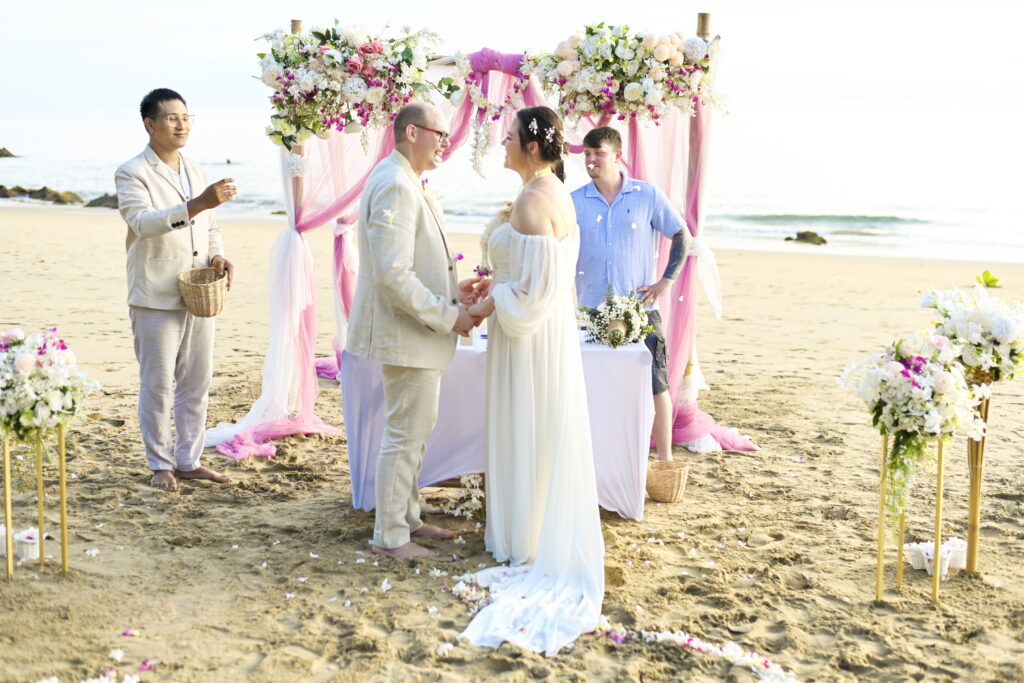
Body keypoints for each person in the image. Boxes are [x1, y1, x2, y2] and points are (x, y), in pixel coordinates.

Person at [460, 106, 604, 655]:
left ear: (533, 147)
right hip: (546, 334)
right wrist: (496, 283)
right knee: (539, 426)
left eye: (510, 137)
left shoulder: (531, 200)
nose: (502, 142)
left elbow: (534, 297)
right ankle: (531, 527)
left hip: (529, 339)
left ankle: (524, 538)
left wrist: (491, 300)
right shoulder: (554, 193)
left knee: (528, 423)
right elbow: (534, 277)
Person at [346, 102, 481, 560]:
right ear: (409, 132)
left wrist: (452, 288)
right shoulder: (394, 185)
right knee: (405, 434)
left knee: (416, 431)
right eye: (438, 133)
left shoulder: (406, 180)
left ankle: (409, 518)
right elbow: (393, 276)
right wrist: (449, 316)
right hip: (407, 334)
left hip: (417, 332)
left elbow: (411, 262)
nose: (445, 142)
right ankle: (390, 537)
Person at [115, 88, 236, 491]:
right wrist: (197, 204)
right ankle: (160, 463)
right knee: (157, 382)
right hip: (154, 294)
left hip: (199, 291)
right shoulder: (132, 171)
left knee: (197, 380)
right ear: (150, 124)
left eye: (186, 116)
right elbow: (143, 222)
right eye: (171, 118)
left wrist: (217, 257)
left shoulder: (197, 169)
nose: (181, 124)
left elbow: (212, 228)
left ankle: (188, 459)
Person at [573, 126, 688, 462]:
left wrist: (666, 280)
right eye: (588, 154)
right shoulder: (574, 201)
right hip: (589, 313)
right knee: (594, 388)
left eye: (599, 154)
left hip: (641, 312)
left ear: (617, 156)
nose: (591, 160)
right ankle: (597, 458)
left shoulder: (647, 195)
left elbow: (681, 235)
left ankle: (665, 459)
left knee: (656, 385)